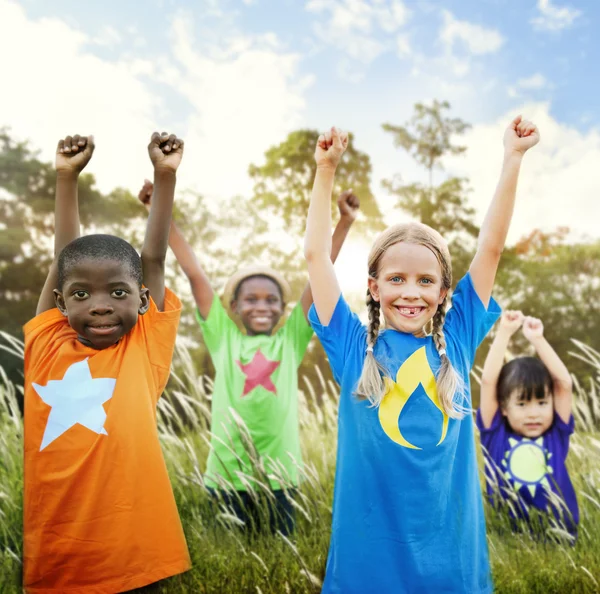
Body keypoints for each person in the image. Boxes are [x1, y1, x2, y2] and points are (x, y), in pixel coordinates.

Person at [303, 117, 539, 593]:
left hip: (448, 558)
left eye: (426, 281)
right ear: (373, 287)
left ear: (445, 290)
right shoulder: (350, 344)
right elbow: (314, 258)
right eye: (396, 279)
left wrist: (512, 159)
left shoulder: (459, 335)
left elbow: (490, 248)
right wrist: (325, 170)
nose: (411, 293)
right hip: (368, 560)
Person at [137, 180, 359, 535]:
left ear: (282, 309)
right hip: (227, 477)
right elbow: (194, 273)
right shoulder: (223, 337)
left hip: (281, 478)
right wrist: (157, 211)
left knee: (278, 558)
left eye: (271, 300)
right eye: (251, 299)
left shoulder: (290, 339)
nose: (262, 306)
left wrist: (344, 222)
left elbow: (320, 276)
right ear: (234, 307)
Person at [23, 132, 190, 592]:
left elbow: (152, 257)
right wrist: (65, 177)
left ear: (140, 300)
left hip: (135, 553)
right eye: (82, 294)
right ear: (60, 302)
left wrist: (165, 175)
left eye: (117, 292)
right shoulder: (47, 345)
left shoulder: (142, 347)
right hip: (61, 555)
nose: (99, 305)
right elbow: (63, 258)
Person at [477, 310, 578, 537]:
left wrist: (538, 339)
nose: (534, 413)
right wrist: (503, 333)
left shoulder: (557, 434)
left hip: (559, 533)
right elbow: (488, 381)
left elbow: (563, 382)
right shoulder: (495, 435)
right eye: (522, 404)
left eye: (542, 403)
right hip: (509, 535)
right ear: (503, 408)